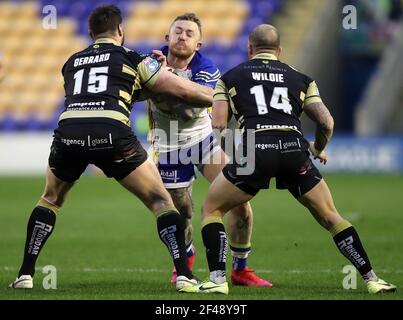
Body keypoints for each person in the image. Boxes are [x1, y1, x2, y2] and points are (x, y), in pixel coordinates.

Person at [180, 24, 397, 295]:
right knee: (331, 217)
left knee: (212, 209)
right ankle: (372, 278)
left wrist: (237, 150)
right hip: (294, 149)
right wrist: (317, 147)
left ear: (250, 49)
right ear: (279, 51)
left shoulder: (231, 76)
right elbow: (326, 121)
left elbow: (220, 125)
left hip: (255, 149)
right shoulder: (302, 78)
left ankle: (218, 280)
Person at [9, 4, 213, 291]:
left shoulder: (72, 60)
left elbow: (104, 89)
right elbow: (177, 89)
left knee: (50, 200)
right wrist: (213, 96)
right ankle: (183, 275)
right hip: (112, 135)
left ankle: (25, 275)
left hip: (69, 135)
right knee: (161, 202)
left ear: (91, 33)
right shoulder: (132, 57)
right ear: (120, 30)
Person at [145, 13, 271, 286]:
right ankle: (184, 262)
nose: (183, 36)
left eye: (190, 33)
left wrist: (165, 80)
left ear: (199, 44)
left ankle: (240, 269)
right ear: (167, 38)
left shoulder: (207, 67)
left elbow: (195, 107)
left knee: (239, 202)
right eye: (178, 31)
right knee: (182, 213)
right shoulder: (149, 62)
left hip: (204, 141)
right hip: (167, 144)